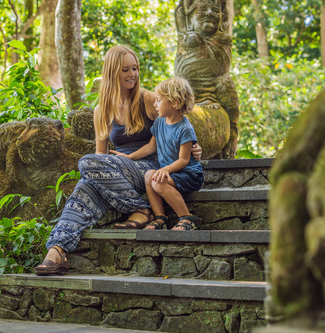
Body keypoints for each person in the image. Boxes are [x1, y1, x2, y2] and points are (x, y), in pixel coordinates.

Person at [34, 45, 202, 275]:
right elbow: (101, 155)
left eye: (135, 68)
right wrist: (99, 179)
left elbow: (179, 123)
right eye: (125, 69)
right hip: (115, 171)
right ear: (113, 72)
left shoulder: (148, 100)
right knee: (84, 188)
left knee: (87, 163)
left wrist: (194, 147)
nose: (132, 74)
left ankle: (143, 209)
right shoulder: (101, 110)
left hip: (150, 168)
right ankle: (56, 250)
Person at [111, 77, 203, 230]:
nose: (155, 104)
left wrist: (165, 169)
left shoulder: (185, 128)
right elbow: (150, 147)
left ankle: (187, 217)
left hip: (189, 174)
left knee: (157, 182)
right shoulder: (160, 122)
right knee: (149, 175)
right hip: (171, 173)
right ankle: (160, 217)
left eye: (159, 101)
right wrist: (129, 157)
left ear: (174, 103)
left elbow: (184, 160)